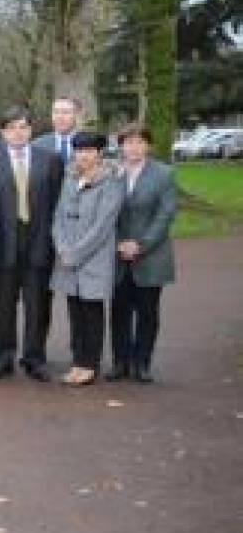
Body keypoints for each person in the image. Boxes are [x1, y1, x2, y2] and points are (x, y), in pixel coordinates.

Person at [0, 107, 64, 381]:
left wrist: (54, 242)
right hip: (4, 244)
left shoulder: (50, 160)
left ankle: (34, 358)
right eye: (12, 128)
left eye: (23, 127)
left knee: (38, 306)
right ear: (3, 133)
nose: (18, 132)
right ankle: (2, 357)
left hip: (39, 242)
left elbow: (56, 204)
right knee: (3, 306)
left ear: (31, 130)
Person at [51, 132, 124, 387]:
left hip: (93, 259)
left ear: (99, 153)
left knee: (92, 314)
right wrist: (62, 248)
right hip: (68, 258)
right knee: (75, 313)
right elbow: (59, 216)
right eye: (79, 150)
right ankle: (77, 362)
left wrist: (75, 254)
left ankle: (89, 365)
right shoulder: (70, 177)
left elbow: (103, 226)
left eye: (89, 150)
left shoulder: (111, 181)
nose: (83, 155)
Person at [109, 123, 178, 383]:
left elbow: (165, 214)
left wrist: (141, 245)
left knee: (148, 313)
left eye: (139, 142)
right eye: (128, 142)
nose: (133, 147)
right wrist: (118, 243)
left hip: (151, 256)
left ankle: (142, 363)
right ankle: (120, 363)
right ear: (121, 146)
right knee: (119, 312)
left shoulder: (164, 174)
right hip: (117, 255)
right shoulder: (111, 172)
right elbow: (104, 213)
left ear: (148, 145)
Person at [35, 96, 82, 168]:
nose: (60, 117)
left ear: (76, 115)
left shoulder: (90, 144)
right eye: (56, 112)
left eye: (65, 112)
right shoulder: (38, 145)